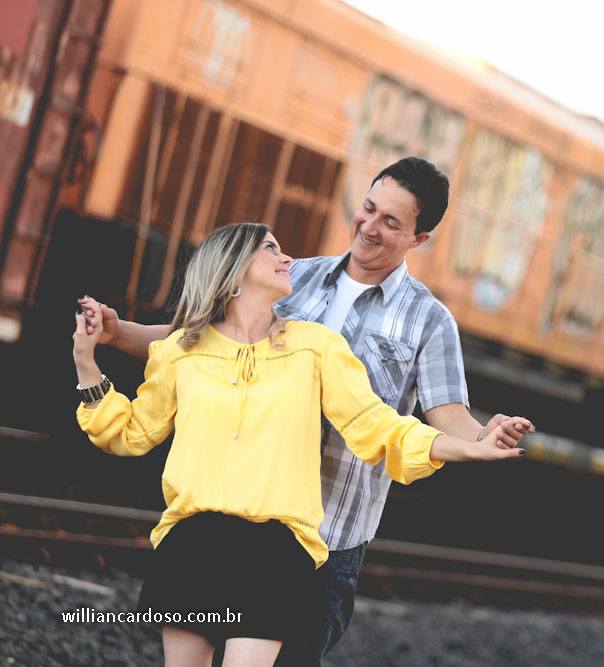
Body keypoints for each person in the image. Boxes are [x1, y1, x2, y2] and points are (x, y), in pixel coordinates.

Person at [80, 157, 533, 665]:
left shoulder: (429, 320)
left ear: (419, 238)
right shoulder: (297, 277)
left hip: (329, 535)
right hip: (228, 511)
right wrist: (119, 333)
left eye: (392, 222)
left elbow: (444, 413)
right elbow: (200, 343)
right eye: (368, 208)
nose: (370, 226)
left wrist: (480, 439)